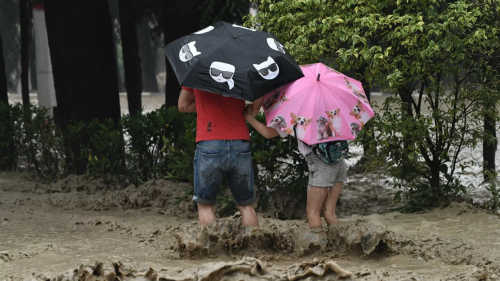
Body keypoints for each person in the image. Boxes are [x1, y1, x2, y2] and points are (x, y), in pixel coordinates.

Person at [243, 102, 346, 228]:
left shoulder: (296, 113)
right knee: (329, 213)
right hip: (339, 161)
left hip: (321, 163)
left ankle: (320, 246)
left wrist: (249, 118)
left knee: (312, 213)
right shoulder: (327, 107)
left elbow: (268, 133)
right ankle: (339, 245)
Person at [178, 87, 262, 226]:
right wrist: (252, 110)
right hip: (239, 142)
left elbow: (183, 105)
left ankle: (212, 246)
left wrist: (206, 106)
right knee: (246, 205)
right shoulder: (241, 69)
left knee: (205, 205)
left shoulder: (198, 70)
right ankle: (254, 245)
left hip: (209, 142)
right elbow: (258, 96)